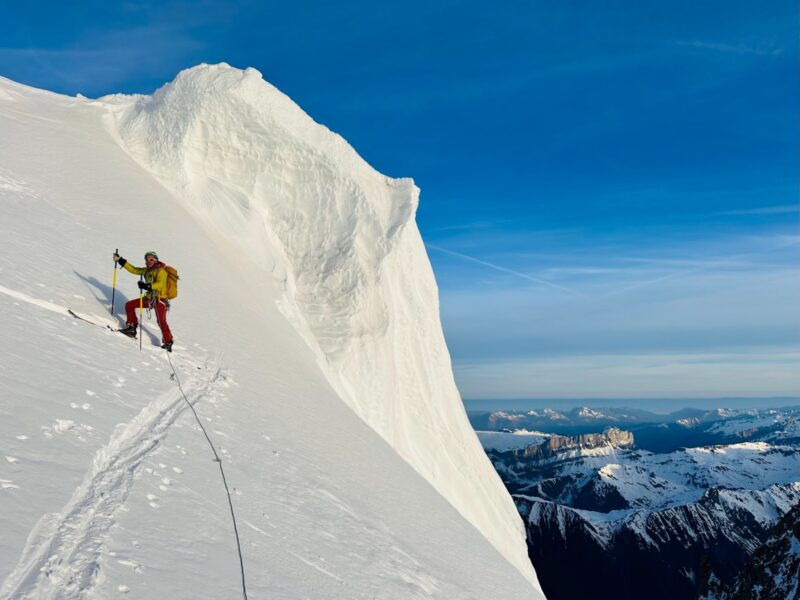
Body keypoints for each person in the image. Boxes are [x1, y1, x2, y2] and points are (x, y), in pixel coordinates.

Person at [113, 250, 174, 352]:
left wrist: (147, 286)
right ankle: (131, 327)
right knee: (129, 305)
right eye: (147, 259)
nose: (148, 261)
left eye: (151, 259)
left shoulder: (161, 271)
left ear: (156, 260)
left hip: (160, 299)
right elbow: (134, 270)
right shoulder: (147, 270)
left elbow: (161, 284)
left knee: (161, 321)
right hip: (150, 298)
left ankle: (168, 341)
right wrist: (120, 260)